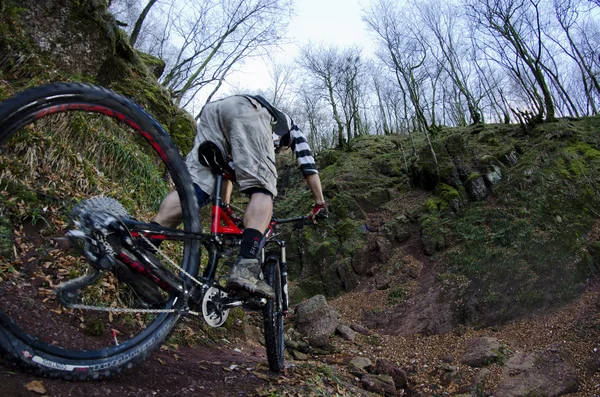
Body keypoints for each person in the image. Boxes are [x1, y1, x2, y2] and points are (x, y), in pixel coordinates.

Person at [151, 94, 326, 299]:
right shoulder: (290, 128)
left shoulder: (249, 137)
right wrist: (319, 203)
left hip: (213, 112)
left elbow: (227, 173)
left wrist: (224, 206)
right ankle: (246, 266)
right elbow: (308, 167)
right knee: (263, 188)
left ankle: (145, 245)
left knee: (196, 188)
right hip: (246, 108)